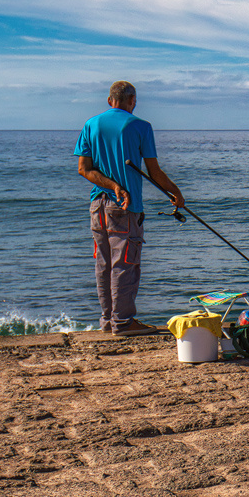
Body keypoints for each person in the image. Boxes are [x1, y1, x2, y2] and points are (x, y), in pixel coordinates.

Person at [74, 80, 184, 336]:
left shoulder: (91, 124)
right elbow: (154, 172)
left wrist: (111, 185)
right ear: (132, 101)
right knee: (125, 262)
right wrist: (176, 193)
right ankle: (123, 322)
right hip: (125, 207)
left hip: (97, 206)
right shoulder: (140, 126)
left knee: (103, 263)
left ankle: (108, 321)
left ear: (109, 100)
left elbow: (84, 169)